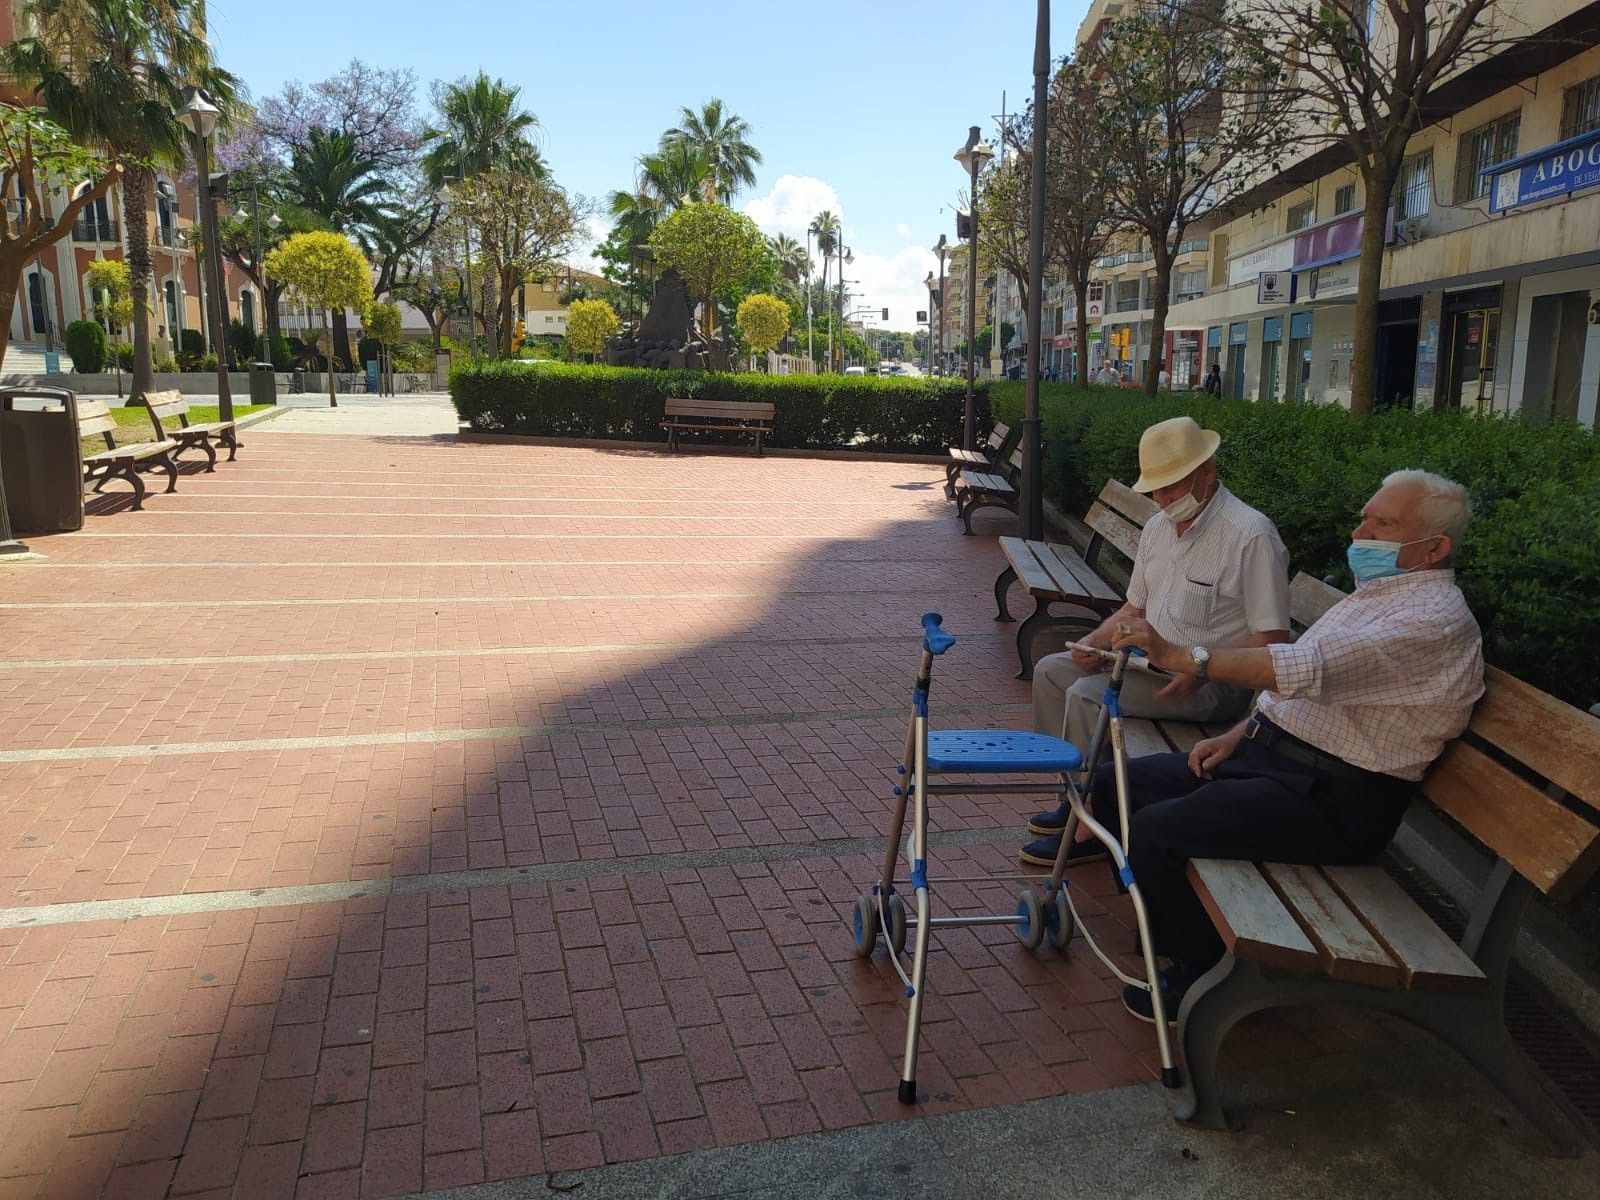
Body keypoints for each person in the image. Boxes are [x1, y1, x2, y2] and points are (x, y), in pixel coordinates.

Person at [1099, 469, 1484, 1022]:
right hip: (1275, 761)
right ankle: (1168, 921)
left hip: (1336, 801)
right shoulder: (1379, 594)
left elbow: (1303, 666)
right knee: (1117, 782)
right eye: (1364, 516)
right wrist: (1239, 734)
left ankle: (1202, 971)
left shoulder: (1434, 621)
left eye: (1383, 523)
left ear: (1434, 548)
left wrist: (1184, 655)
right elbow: (1306, 691)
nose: (1360, 532)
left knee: (1158, 832)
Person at [1020, 416, 1290, 866]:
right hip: (1146, 663)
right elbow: (1134, 611)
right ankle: (1074, 798)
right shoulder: (1159, 527)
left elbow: (1272, 641)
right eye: (1156, 490)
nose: (1163, 500)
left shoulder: (1251, 535)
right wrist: (1092, 641)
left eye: (1173, 487)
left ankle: (1093, 826)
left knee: (1089, 696)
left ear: (1207, 471)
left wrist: (1203, 669)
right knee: (1053, 671)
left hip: (1211, 683)